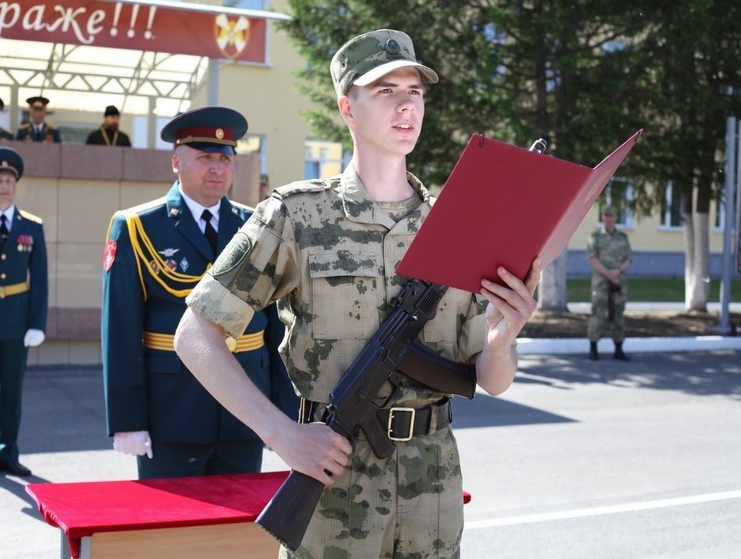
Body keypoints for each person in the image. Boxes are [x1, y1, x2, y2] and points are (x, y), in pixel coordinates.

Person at [174, 29, 540, 558]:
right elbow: (195, 334)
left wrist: (503, 340)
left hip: (431, 491)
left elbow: (492, 380)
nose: (405, 106)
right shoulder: (297, 215)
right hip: (333, 486)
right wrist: (279, 434)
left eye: (414, 91)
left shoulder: (457, 225)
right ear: (348, 107)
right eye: (385, 90)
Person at [101, 106, 297, 479]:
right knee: (172, 530)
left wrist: (282, 408)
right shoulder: (138, 226)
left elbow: (276, 326)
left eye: (225, 159)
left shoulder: (255, 226)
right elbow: (121, 329)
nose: (217, 169)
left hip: (246, 407)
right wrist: (127, 419)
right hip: (173, 409)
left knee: (237, 527)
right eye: (205, 157)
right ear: (176, 162)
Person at [0, 146, 48, 477]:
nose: (3, 186)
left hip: (16, 322)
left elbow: (39, 278)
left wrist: (36, 323)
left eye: (8, 180)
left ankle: (7, 452)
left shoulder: (32, 226)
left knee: (11, 392)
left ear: (16, 185)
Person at [587, 205, 632, 361]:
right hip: (601, 282)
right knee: (597, 314)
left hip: (619, 282)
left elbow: (628, 259)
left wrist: (617, 272)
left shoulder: (623, 238)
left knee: (618, 314)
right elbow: (593, 258)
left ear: (616, 217)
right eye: (606, 215)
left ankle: (618, 349)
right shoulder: (595, 237)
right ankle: (593, 349)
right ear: (603, 217)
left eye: (611, 215)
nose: (609, 218)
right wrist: (608, 274)